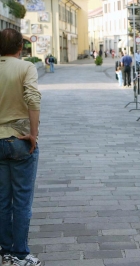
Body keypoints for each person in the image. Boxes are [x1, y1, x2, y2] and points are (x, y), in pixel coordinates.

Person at [0, 28, 42, 266]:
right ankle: (20, 255)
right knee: (22, 200)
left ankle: (5, 251)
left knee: (2, 199)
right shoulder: (26, 67)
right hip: (19, 139)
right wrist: (33, 134)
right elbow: (33, 99)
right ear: (20, 47)